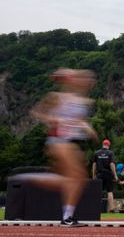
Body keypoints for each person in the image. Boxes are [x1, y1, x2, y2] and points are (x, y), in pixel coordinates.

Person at [30, 68, 97, 227]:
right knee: (76, 176)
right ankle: (66, 217)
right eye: (85, 79)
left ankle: (67, 215)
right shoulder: (57, 97)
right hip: (57, 141)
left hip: (70, 142)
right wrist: (53, 119)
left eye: (90, 81)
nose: (88, 83)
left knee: (78, 179)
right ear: (77, 81)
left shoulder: (84, 102)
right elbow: (36, 112)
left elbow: (78, 120)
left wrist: (87, 127)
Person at [92, 139, 118, 212]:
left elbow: (94, 164)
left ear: (102, 145)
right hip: (108, 174)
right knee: (109, 191)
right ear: (108, 145)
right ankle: (112, 209)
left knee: (98, 191)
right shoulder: (110, 153)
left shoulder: (96, 153)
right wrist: (115, 175)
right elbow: (112, 164)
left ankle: (95, 208)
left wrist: (94, 175)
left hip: (99, 174)